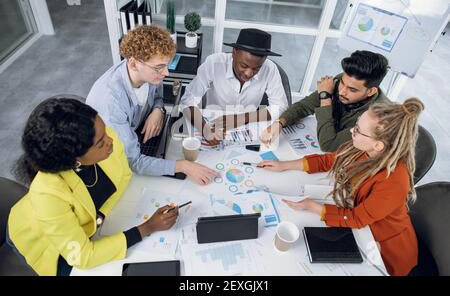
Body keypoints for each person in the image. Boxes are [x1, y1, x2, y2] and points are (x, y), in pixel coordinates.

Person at [7, 98, 179, 276]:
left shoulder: (102, 137)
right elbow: (82, 256)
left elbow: (124, 176)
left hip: (84, 229)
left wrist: (100, 217)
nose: (110, 140)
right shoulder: (48, 195)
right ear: (74, 159)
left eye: (105, 133)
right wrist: (147, 228)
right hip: (45, 242)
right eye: (100, 143)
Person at [258, 98, 423, 276]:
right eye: (356, 125)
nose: (352, 131)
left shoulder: (395, 181)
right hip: (359, 224)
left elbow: (358, 219)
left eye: (358, 130)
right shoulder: (362, 148)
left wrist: (313, 207)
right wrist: (285, 165)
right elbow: (330, 160)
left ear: (378, 145)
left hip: (385, 249)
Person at [86, 24, 218, 185]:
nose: (166, 73)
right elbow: (134, 161)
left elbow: (158, 98)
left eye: (167, 65)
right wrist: (183, 166)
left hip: (139, 135)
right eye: (159, 67)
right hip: (115, 160)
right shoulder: (110, 101)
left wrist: (158, 110)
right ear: (134, 64)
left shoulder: (150, 75)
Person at [261, 50, 390, 152]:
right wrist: (280, 123)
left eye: (352, 90)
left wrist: (325, 97)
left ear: (371, 91)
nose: (342, 91)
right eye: (342, 83)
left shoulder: (378, 116)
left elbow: (329, 145)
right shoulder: (342, 81)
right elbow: (304, 106)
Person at [180, 28, 289, 145]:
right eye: (243, 65)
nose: (248, 73)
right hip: (213, 123)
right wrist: (204, 129)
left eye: (256, 68)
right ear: (234, 52)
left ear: (264, 60)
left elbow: (281, 107)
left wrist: (241, 118)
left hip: (248, 129)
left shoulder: (270, 69)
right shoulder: (214, 63)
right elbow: (187, 100)